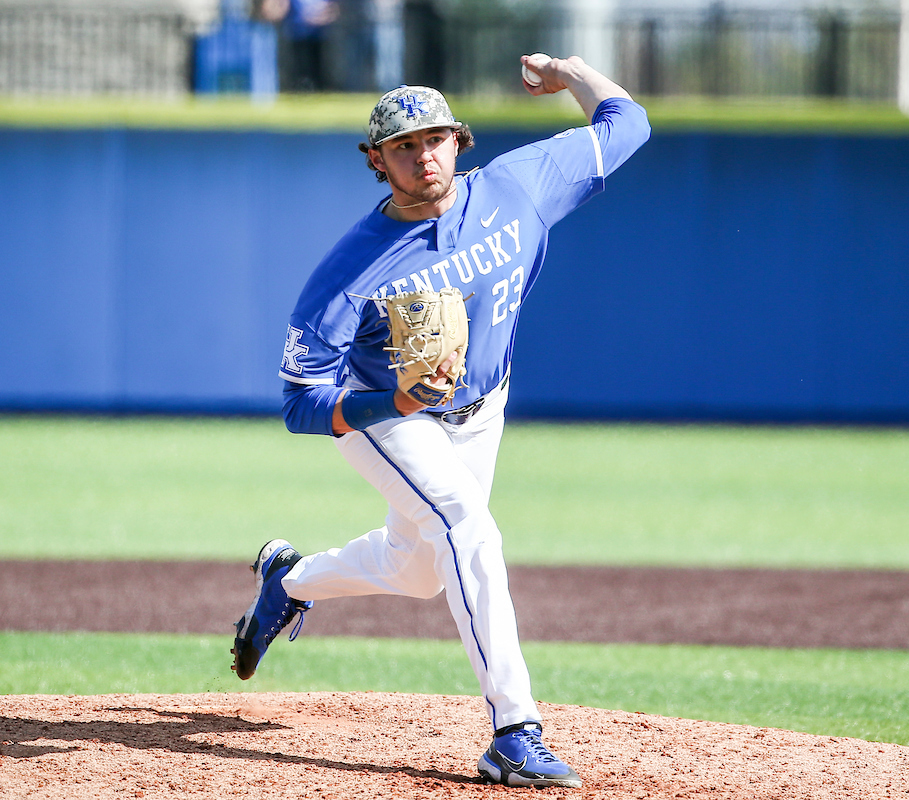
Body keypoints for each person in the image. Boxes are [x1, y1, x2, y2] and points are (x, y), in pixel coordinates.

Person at [231, 55, 650, 789]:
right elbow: (301, 401)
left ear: (460, 140)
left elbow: (628, 123)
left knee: (421, 567)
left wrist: (573, 71)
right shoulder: (350, 268)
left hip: (484, 406)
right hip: (382, 414)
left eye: (434, 139)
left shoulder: (518, 186)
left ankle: (289, 583)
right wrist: (391, 405)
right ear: (376, 160)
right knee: (467, 527)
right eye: (403, 146)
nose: (422, 155)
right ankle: (514, 732)